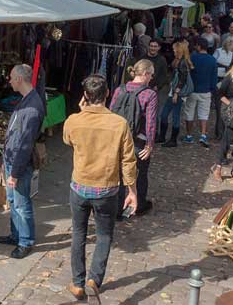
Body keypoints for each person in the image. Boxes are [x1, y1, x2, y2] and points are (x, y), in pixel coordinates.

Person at [63, 74, 138, 303]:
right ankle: (94, 279)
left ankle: (77, 283)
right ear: (107, 94)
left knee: (79, 234)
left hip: (80, 185)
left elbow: (67, 140)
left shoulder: (73, 121)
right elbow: (128, 160)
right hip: (106, 188)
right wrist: (132, 191)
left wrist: (80, 112)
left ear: (85, 96)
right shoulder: (119, 123)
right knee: (104, 234)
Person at [0, 64, 45, 259]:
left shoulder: (32, 108)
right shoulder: (27, 100)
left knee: (21, 203)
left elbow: (25, 144)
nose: (9, 81)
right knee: (12, 200)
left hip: (19, 163)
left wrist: (14, 173)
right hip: (12, 160)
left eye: (11, 77)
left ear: (19, 79)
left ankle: (25, 241)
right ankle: (16, 234)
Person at [110, 60, 158, 216]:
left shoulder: (119, 90)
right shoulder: (150, 94)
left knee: (118, 174)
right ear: (145, 74)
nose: (151, 78)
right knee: (140, 173)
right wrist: (150, 145)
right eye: (151, 74)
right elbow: (150, 123)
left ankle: (117, 209)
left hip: (118, 138)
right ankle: (139, 205)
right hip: (138, 141)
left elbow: (110, 113)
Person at [182, 38, 217, 147]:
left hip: (192, 90)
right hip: (206, 90)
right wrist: (212, 89)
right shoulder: (212, 60)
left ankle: (189, 135)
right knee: (204, 114)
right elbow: (214, 77)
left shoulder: (192, 58)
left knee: (189, 113)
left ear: (198, 46)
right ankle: (203, 135)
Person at [158, 41, 194, 147]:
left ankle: (172, 140)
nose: (173, 50)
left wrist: (176, 92)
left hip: (177, 92)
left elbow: (182, 78)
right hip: (174, 91)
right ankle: (163, 137)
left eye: (174, 49)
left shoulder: (182, 62)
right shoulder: (180, 61)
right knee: (166, 114)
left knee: (174, 116)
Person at [212, 37, 233, 140]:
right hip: (218, 76)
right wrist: (223, 65)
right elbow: (213, 62)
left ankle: (222, 132)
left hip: (226, 78)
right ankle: (219, 132)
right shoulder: (218, 51)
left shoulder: (232, 54)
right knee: (219, 107)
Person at [144, 39, 169, 125]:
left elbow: (164, 76)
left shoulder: (161, 60)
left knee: (153, 112)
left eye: (155, 46)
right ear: (148, 46)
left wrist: (158, 86)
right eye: (151, 46)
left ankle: (153, 133)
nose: (153, 48)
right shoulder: (142, 58)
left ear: (159, 48)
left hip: (154, 90)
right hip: (142, 88)